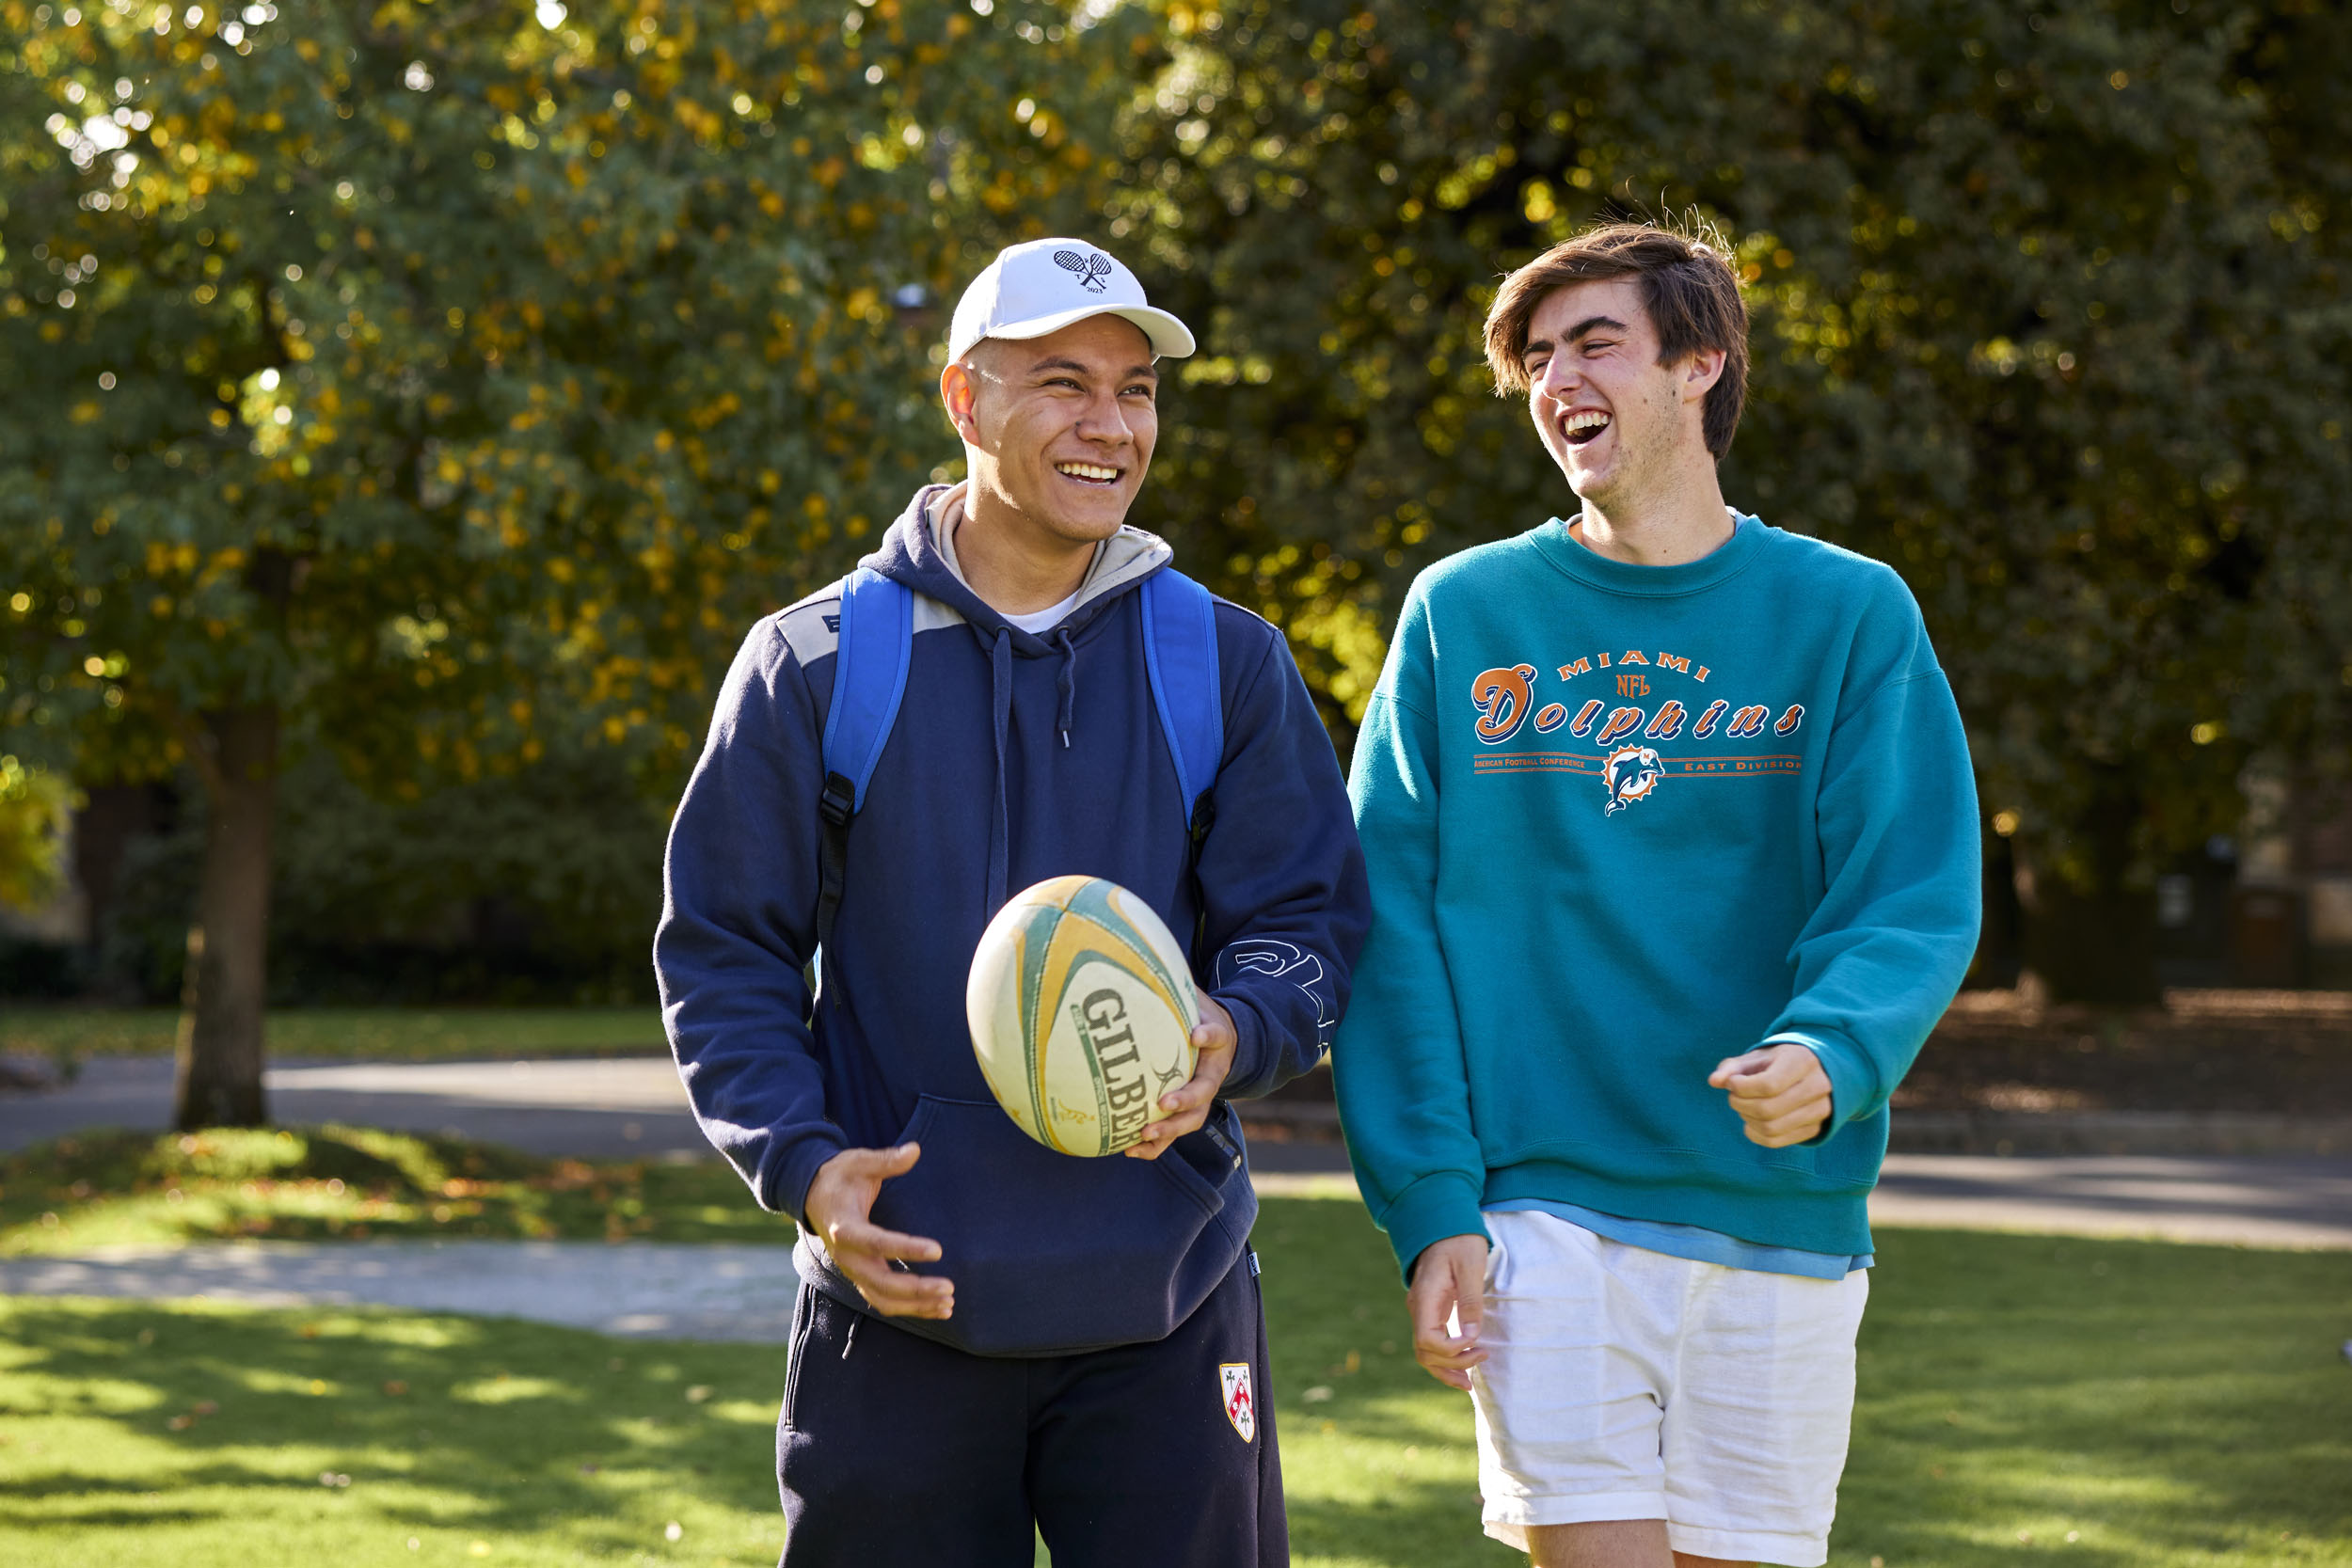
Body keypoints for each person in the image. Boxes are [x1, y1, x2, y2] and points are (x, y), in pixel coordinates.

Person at [655, 237, 1367, 1568]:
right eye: (1062, 383)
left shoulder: (1224, 658)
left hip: (1167, 1300)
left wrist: (1239, 1027)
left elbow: (1308, 923)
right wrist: (805, 1167)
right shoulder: (816, 662)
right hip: (899, 1292)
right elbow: (725, 954)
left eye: (1136, 390)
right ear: (965, 402)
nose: (1112, 425)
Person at [1333, 222, 1982, 1568]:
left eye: (1596, 343)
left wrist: (1836, 1049)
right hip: (1544, 1211)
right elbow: (1388, 922)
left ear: (1700, 363)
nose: (1556, 379)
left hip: (1779, 1213)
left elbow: (1910, 888)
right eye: (1537, 358)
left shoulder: (1849, 614)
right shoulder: (1464, 613)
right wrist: (1432, 1199)